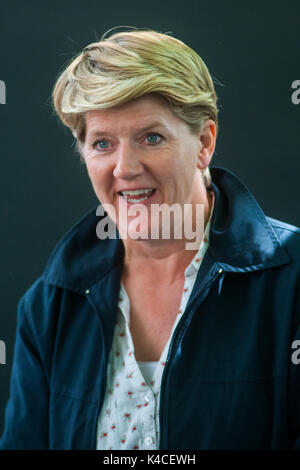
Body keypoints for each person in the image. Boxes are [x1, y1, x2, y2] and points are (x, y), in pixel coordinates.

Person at [0, 27, 300, 451]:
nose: (125, 167)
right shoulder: (50, 306)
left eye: (151, 138)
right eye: (102, 143)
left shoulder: (292, 282)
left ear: (204, 143)